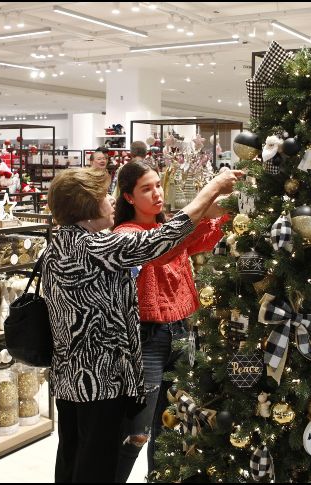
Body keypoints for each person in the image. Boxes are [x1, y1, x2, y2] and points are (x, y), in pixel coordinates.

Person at [42, 166, 243, 483]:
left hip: (71, 379)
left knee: (74, 457)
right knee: (97, 463)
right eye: (104, 196)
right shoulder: (96, 248)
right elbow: (163, 238)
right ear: (87, 206)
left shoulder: (62, 245)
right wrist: (213, 187)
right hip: (100, 380)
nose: (110, 202)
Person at [112, 161, 230, 481]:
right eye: (146, 189)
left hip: (181, 331)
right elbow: (163, 250)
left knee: (170, 422)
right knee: (136, 431)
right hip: (147, 337)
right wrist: (209, 196)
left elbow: (202, 240)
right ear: (129, 198)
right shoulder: (126, 234)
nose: (156, 193)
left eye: (157, 185)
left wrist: (226, 210)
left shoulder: (167, 227)